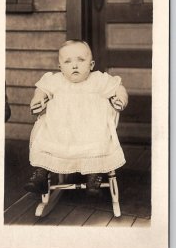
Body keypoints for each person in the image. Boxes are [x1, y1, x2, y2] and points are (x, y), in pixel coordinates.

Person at [24, 40, 128, 194]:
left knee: (97, 142)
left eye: (81, 60)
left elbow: (118, 87)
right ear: (60, 67)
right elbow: (41, 89)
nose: (74, 65)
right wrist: (37, 99)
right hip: (60, 130)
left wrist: (121, 98)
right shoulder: (56, 80)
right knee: (45, 137)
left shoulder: (98, 79)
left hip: (91, 129)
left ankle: (94, 174)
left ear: (91, 65)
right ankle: (41, 173)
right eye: (67, 61)